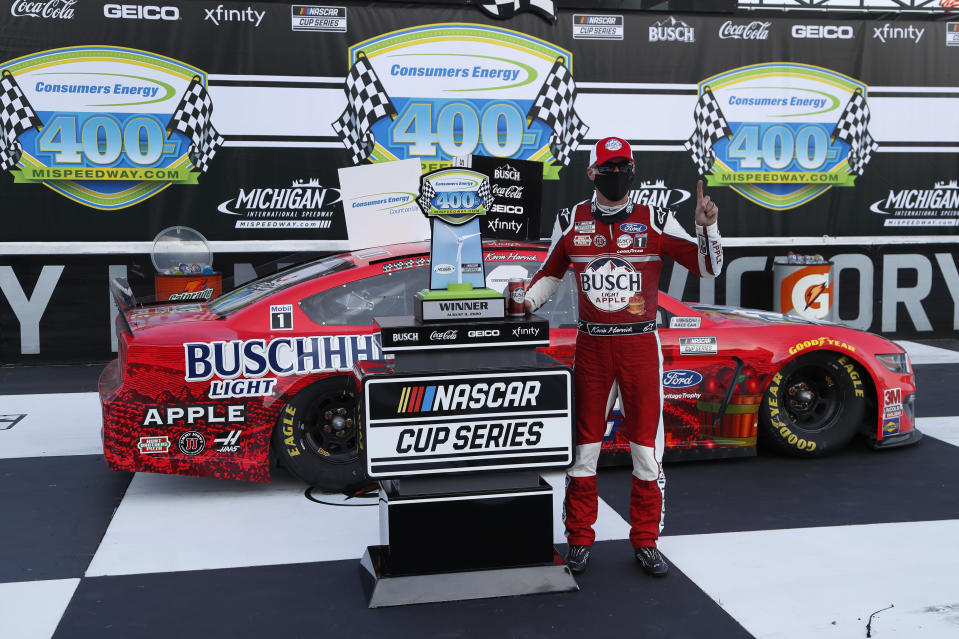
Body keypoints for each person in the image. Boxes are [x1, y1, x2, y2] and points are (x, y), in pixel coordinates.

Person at [523, 137, 723, 577]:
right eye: (609, 167)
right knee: (584, 451)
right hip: (591, 346)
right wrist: (520, 302)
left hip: (639, 345)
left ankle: (647, 541)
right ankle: (579, 540)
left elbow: (707, 267)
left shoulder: (655, 217)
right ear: (592, 172)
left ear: (633, 172)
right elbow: (549, 274)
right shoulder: (570, 219)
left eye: (625, 167)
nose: (619, 174)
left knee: (646, 452)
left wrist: (707, 227)